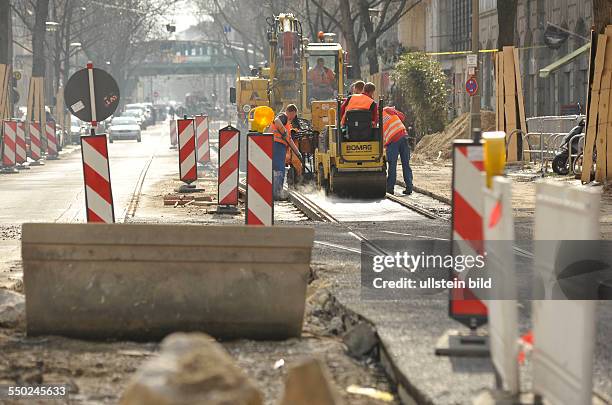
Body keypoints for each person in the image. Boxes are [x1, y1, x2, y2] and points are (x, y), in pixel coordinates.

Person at [268, 104, 301, 200]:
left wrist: (298, 153)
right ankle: (277, 193)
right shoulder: (284, 117)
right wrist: (284, 131)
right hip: (276, 145)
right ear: (291, 112)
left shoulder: (287, 124)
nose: (294, 117)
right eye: (294, 115)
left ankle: (276, 192)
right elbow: (277, 121)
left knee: (278, 168)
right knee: (279, 169)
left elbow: (289, 140)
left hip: (278, 146)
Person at [383, 106, 413, 195]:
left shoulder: (376, 118)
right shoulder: (387, 109)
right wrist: (394, 111)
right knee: (406, 163)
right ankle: (409, 187)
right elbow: (402, 117)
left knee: (392, 165)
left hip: (393, 141)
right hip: (404, 136)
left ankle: (390, 188)